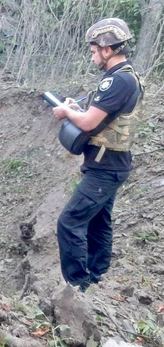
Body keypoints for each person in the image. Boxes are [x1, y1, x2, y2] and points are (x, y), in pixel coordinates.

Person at [52, 18, 145, 291]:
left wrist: (67, 112)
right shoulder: (124, 78)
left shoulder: (119, 81)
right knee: (98, 221)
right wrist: (75, 109)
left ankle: (76, 286)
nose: (92, 57)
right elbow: (102, 118)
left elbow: (91, 123)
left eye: (94, 51)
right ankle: (96, 277)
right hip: (110, 164)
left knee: (69, 222)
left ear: (107, 49)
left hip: (106, 168)